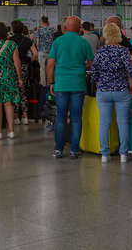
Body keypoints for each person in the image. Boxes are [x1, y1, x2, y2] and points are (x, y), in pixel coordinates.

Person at [47, 16, 94, 159]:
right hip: (78, 84)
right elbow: (91, 64)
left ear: (66, 26)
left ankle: (58, 150)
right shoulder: (83, 42)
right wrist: (81, 66)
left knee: (61, 117)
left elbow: (50, 65)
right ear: (79, 26)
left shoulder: (58, 41)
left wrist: (51, 83)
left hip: (61, 84)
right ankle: (74, 150)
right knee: (76, 117)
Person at [92, 23, 132, 162]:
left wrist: (97, 81)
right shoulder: (124, 51)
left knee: (104, 123)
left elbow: (94, 72)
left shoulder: (100, 51)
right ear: (119, 34)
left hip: (103, 91)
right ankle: (124, 154)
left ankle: (105, 155)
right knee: (123, 123)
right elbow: (131, 71)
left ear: (105, 35)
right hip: (122, 91)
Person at [9, 20, 38, 125]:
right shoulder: (27, 40)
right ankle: (25, 117)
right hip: (25, 67)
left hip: (12, 67)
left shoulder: (10, 41)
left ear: (13, 29)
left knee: (14, 92)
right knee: (23, 90)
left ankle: (16, 117)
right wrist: (28, 61)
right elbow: (35, 54)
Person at [33, 16, 54, 86]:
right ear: (47, 21)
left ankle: (43, 85)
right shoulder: (51, 30)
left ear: (41, 21)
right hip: (50, 52)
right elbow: (52, 41)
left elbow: (37, 43)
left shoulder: (39, 30)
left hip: (41, 52)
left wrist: (38, 48)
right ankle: (50, 84)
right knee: (50, 69)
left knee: (42, 69)